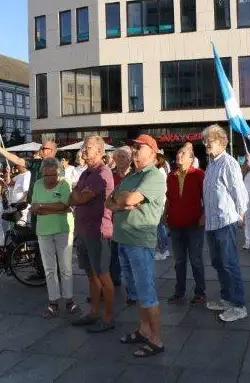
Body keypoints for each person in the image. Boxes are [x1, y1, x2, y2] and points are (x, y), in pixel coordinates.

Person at [107, 134, 166, 358]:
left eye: (139, 147)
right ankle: (143, 330)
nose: (134, 150)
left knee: (147, 292)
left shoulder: (153, 176)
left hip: (140, 241)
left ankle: (156, 340)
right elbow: (108, 203)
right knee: (137, 292)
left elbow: (129, 200)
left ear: (152, 152)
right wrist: (123, 200)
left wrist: (124, 200)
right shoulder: (132, 175)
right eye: (134, 146)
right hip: (123, 240)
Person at [201, 124, 249, 323]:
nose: (206, 145)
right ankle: (226, 298)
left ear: (222, 141)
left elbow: (239, 191)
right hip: (212, 223)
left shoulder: (228, 163)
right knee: (218, 262)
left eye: (209, 141)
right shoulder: (211, 164)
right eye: (204, 142)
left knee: (229, 263)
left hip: (225, 220)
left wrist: (242, 214)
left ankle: (238, 305)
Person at [70, 136, 116, 332]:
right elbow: (73, 197)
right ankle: (94, 312)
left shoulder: (101, 174)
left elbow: (78, 198)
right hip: (83, 230)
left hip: (97, 232)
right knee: (91, 274)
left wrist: (75, 194)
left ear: (100, 151)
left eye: (88, 148)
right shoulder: (86, 173)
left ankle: (108, 317)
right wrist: (76, 194)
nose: (83, 150)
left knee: (103, 275)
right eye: (83, 147)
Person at [31, 157, 79, 318]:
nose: (50, 179)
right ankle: (53, 302)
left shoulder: (64, 183)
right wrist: (55, 208)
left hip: (63, 230)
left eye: (53, 175)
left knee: (65, 267)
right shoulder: (38, 184)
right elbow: (35, 208)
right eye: (47, 175)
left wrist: (44, 207)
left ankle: (69, 300)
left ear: (58, 173)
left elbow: (65, 205)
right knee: (49, 269)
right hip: (43, 230)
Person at [165, 146, 206, 305]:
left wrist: (204, 215)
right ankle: (179, 292)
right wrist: (165, 214)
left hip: (194, 224)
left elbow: (207, 197)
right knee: (179, 261)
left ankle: (200, 292)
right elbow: (168, 197)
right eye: (178, 153)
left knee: (196, 259)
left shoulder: (198, 174)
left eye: (183, 153)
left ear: (191, 159)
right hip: (175, 224)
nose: (178, 155)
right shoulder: (171, 175)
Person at [111, 146, 133, 290]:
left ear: (130, 159)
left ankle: (132, 286)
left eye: (123, 157)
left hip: (131, 221)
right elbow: (108, 198)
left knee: (130, 256)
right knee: (114, 254)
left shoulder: (134, 175)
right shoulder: (111, 175)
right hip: (113, 220)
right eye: (118, 157)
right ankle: (115, 279)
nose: (120, 159)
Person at [4, 161, 31, 226]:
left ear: (23, 166)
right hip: (17, 206)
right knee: (16, 226)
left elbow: (27, 192)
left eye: (18, 164)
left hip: (22, 207)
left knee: (21, 227)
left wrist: (21, 203)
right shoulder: (20, 175)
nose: (16, 166)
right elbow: (9, 183)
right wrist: (8, 172)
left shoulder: (27, 175)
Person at [154, 151, 170, 260]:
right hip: (161, 202)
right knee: (161, 227)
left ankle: (163, 250)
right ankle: (165, 249)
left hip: (160, 203)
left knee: (160, 228)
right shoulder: (161, 170)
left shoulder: (159, 171)